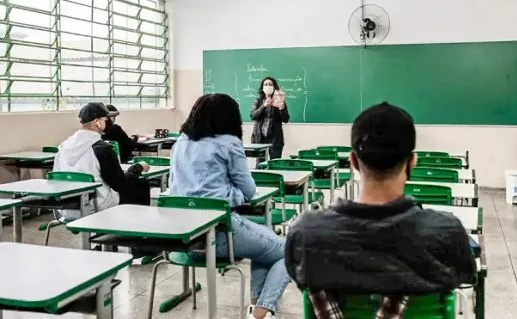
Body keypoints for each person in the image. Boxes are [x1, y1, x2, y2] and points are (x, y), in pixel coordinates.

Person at [285, 102, 476, 318]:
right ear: (412, 163)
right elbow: (465, 275)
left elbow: (299, 276)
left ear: (353, 161)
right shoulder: (445, 231)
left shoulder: (306, 233)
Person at [170, 93, 288, 319]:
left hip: (184, 238)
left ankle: (256, 307)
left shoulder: (180, 143)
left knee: (265, 246)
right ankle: (262, 310)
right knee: (288, 253)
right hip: (220, 234)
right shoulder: (229, 143)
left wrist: (223, 194)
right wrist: (231, 195)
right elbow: (249, 191)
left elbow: (177, 189)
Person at [54, 102, 151, 220]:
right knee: (141, 184)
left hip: (66, 208)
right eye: (106, 119)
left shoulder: (64, 146)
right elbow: (120, 184)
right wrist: (137, 168)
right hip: (95, 206)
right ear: (96, 122)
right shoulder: (102, 148)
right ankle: (136, 232)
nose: (109, 121)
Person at [250, 77, 290, 162]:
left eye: (270, 84)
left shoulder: (279, 101)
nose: (268, 86)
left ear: (274, 87)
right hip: (259, 137)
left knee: (274, 163)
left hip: (275, 138)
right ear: (262, 87)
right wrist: (263, 106)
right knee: (260, 164)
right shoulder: (258, 101)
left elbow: (286, 119)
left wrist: (282, 108)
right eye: (266, 84)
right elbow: (253, 116)